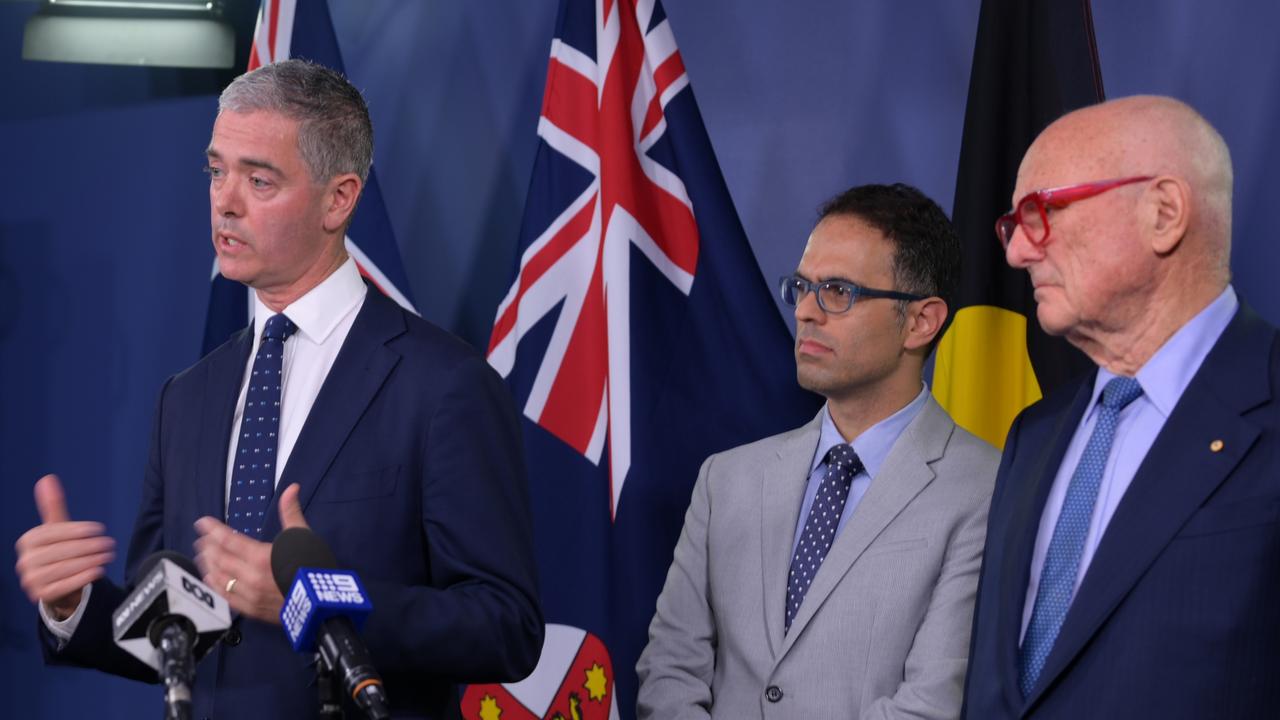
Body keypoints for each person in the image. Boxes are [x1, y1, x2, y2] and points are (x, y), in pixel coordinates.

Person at [13, 59, 543, 719]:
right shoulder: (187, 397)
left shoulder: (443, 385)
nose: (225, 200)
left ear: (338, 199)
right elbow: (173, 633)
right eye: (216, 170)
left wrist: (317, 600)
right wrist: (73, 606)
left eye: (259, 179)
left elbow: (505, 626)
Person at [963, 96, 1280, 718]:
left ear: (1164, 213)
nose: (1017, 253)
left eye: (1042, 212)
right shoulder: (1035, 432)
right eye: (1013, 225)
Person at [637, 183, 1000, 719]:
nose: (806, 311)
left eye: (838, 291)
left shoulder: (986, 488)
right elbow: (669, 671)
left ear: (922, 321)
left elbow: (931, 703)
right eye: (803, 287)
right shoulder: (726, 479)